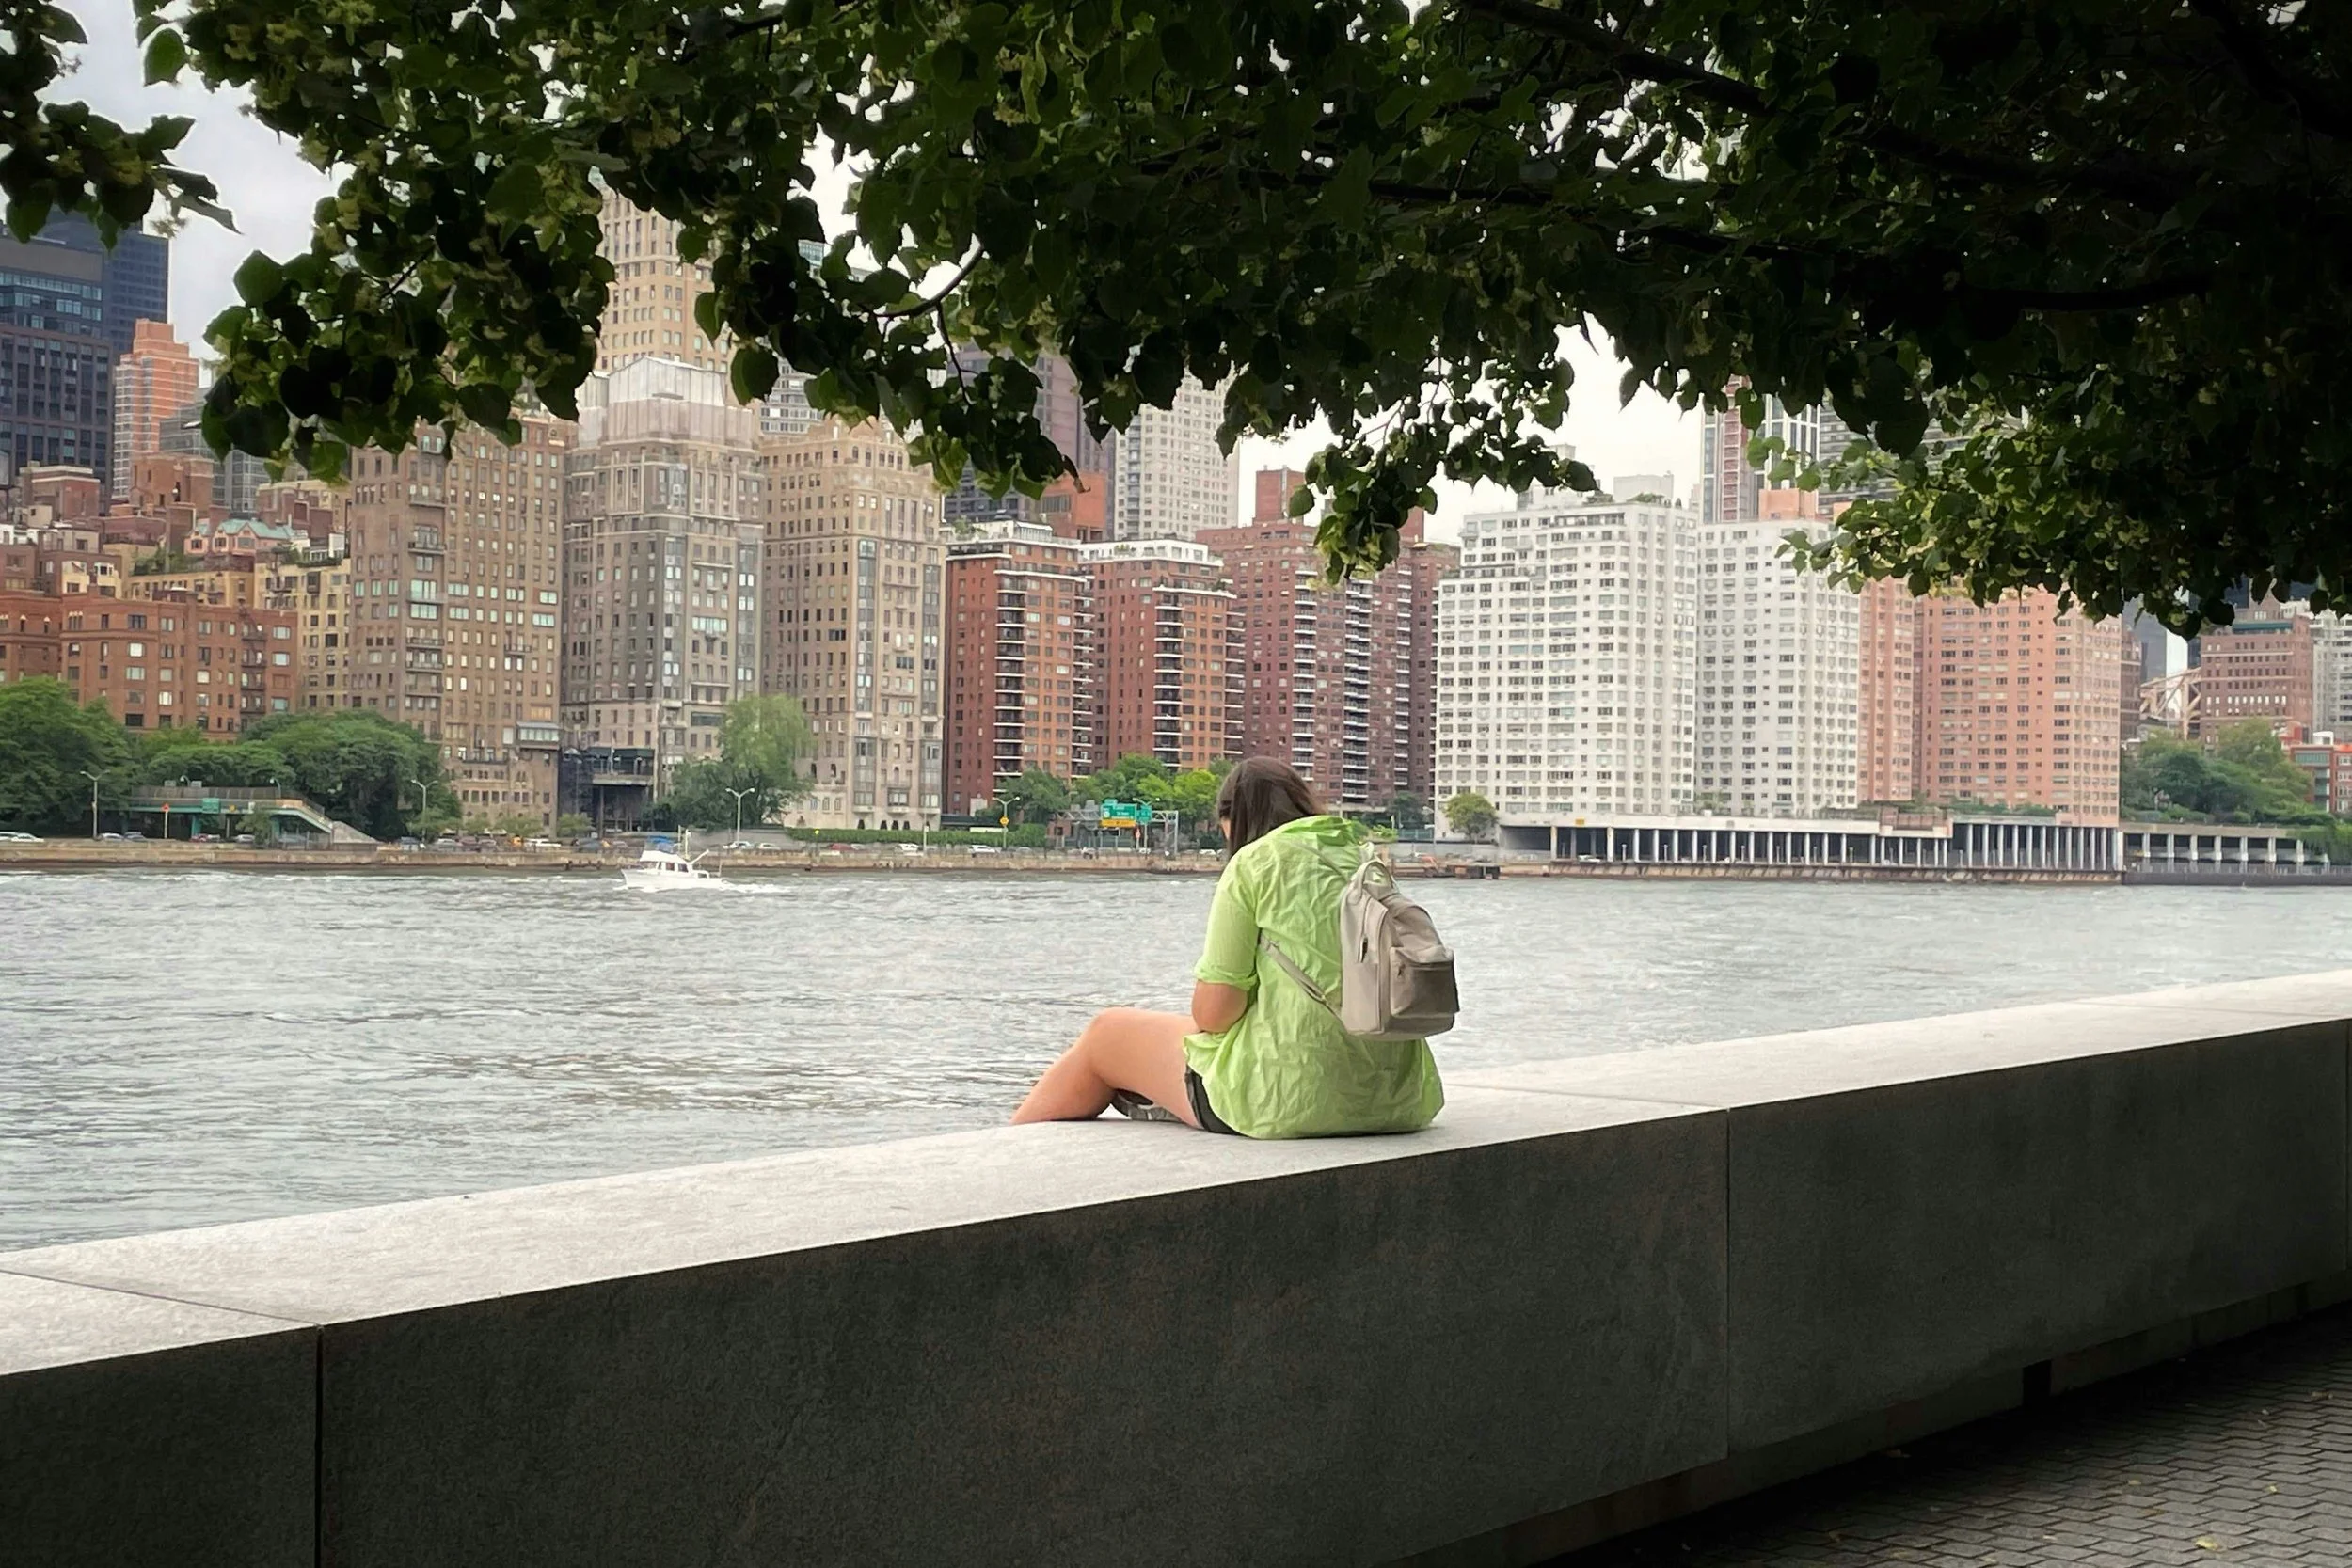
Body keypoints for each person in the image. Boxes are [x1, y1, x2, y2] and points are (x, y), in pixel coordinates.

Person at [1011, 757, 1444, 1136]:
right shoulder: (1364, 860)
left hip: (1291, 1100)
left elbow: (1214, 1014)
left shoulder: (1254, 863)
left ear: (1232, 817)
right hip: (1400, 1098)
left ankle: (1006, 1154)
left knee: (1106, 1034)